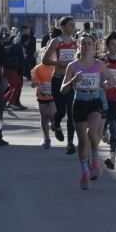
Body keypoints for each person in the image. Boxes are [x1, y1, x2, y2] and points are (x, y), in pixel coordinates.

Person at [60, 35, 116, 189]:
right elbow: (62, 89)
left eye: (89, 44)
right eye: (83, 43)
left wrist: (106, 84)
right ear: (79, 46)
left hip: (95, 102)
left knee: (92, 133)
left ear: (94, 47)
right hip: (79, 103)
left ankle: (95, 159)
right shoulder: (72, 66)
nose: (86, 46)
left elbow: (113, 81)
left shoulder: (99, 65)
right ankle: (85, 173)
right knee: (83, 142)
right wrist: (73, 81)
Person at [41, 16, 79, 153]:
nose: (73, 27)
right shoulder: (56, 41)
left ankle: (70, 143)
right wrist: (58, 63)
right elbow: (44, 60)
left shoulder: (76, 43)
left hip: (71, 80)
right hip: (58, 79)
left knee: (71, 111)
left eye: (74, 25)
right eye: (70, 25)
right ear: (62, 27)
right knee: (61, 111)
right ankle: (56, 124)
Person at [100, 32, 116, 170]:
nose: (115, 48)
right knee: (103, 126)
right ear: (107, 46)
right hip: (102, 97)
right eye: (112, 45)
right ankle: (103, 131)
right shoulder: (102, 60)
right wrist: (104, 82)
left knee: (114, 127)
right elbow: (97, 76)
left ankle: (112, 158)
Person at [31, 55, 56, 148]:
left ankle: (54, 122)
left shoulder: (56, 67)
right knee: (44, 117)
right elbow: (34, 81)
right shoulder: (37, 68)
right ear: (42, 57)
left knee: (53, 113)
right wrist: (35, 84)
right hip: (42, 96)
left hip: (54, 95)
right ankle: (46, 138)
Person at [3, 35, 26, 110]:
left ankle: (6, 101)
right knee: (17, 84)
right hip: (11, 69)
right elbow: (21, 59)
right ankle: (9, 102)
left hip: (7, 69)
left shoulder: (9, 47)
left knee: (14, 85)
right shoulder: (19, 47)